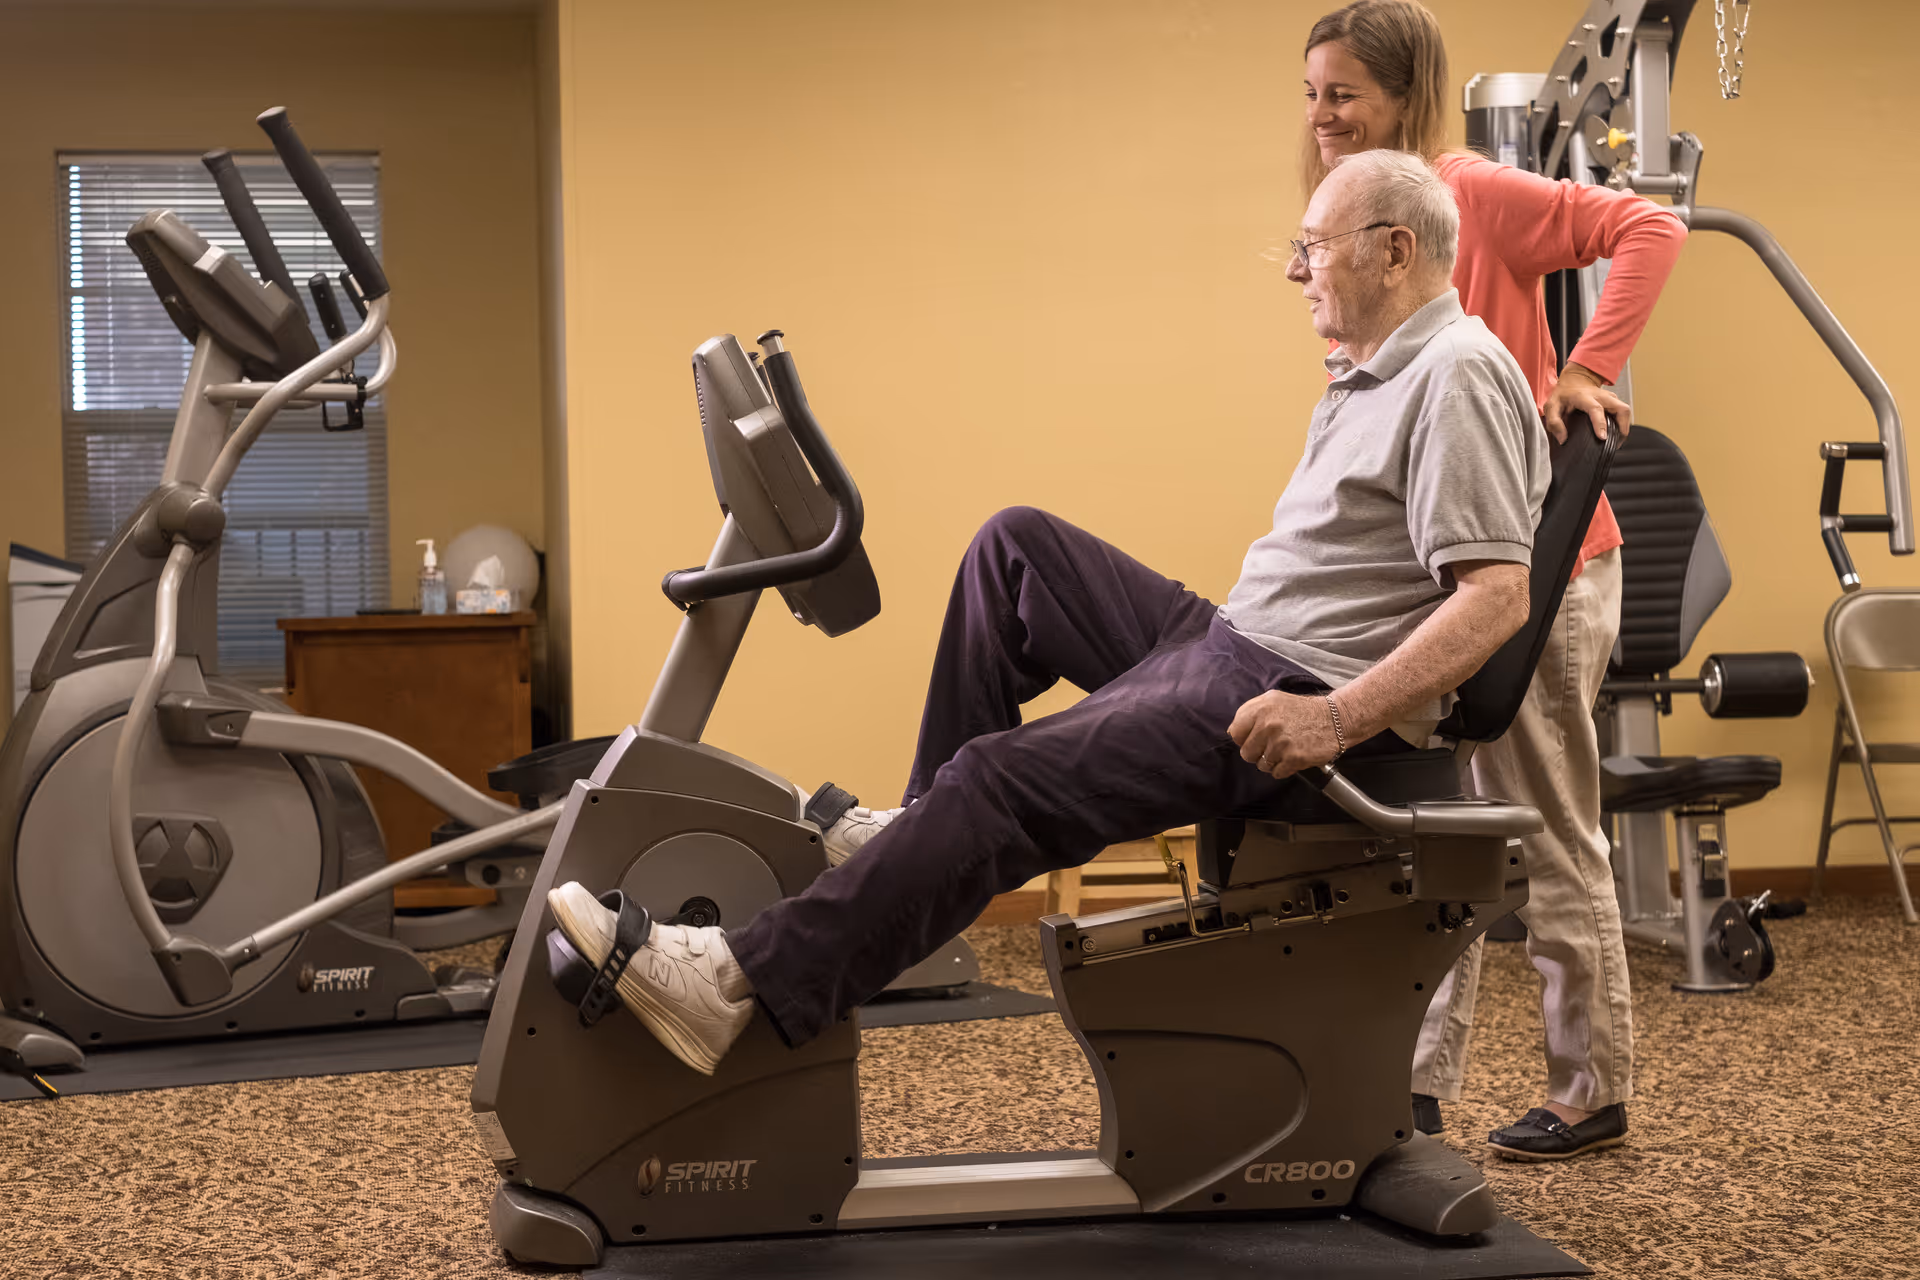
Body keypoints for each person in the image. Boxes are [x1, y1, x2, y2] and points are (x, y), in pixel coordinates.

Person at [544, 149, 1550, 1079]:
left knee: (996, 778)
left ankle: (735, 982)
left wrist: (1334, 718)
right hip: (1235, 640)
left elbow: (1497, 594)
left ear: (1395, 249)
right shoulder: (1378, 366)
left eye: (1312, 247)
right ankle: (920, 828)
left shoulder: (1455, 370)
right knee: (1014, 547)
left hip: (1295, 688)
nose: (1295, 270)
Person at [1300, 0, 1687, 1161]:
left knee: (1548, 824)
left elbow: (1651, 229)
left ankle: (1590, 1085)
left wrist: (1585, 367)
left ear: (1404, 96)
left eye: (1344, 95)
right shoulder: (1365, 219)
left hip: (1548, 569)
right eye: (1311, 94)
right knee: (1440, 829)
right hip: (1452, 564)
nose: (1322, 116)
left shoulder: (1466, 192)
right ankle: (1414, 1085)